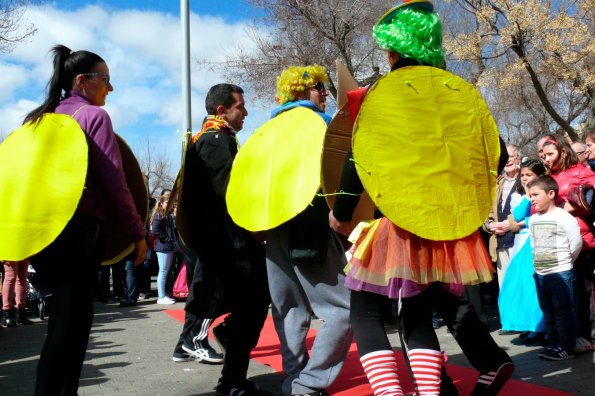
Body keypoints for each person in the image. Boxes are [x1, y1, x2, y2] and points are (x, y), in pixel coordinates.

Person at [329, 2, 513, 395]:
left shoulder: (379, 94)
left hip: (397, 225)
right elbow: (494, 153)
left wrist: (341, 213)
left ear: (392, 52)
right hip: (448, 232)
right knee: (418, 318)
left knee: (365, 312)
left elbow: (358, 159)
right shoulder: (461, 93)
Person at [23, 45, 146, 396]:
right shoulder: (93, 118)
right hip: (80, 235)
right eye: (105, 79)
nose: (111, 87)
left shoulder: (38, 120)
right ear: (81, 80)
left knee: (67, 321)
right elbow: (114, 182)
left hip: (43, 235)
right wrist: (137, 233)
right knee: (70, 325)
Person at [171, 84, 270, 396]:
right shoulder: (216, 141)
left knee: (251, 306)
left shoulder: (213, 138)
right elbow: (227, 197)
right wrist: (253, 231)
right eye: (240, 106)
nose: (246, 112)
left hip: (228, 244)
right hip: (230, 245)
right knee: (252, 303)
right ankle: (204, 345)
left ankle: (232, 376)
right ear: (221, 110)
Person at [266, 65, 352, 396]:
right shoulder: (320, 123)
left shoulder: (268, 130)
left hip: (273, 227)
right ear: (300, 91)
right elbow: (340, 170)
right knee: (344, 309)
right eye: (318, 87)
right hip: (311, 226)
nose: (325, 93)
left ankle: (293, 381)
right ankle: (308, 384)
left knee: (287, 308)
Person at [541, 135, 595, 353]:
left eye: (550, 154)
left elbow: (589, 198)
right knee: (564, 293)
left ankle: (588, 335)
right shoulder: (548, 176)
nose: (546, 159)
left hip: (581, 241)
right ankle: (566, 336)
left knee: (584, 291)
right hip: (554, 242)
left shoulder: (581, 171)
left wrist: (566, 207)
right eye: (543, 155)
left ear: (563, 152)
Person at [526, 175, 583, 360]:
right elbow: (534, 244)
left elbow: (575, 243)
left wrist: (566, 263)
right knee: (548, 312)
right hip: (540, 274)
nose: (532, 198)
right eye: (530, 195)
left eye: (535, 194)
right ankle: (553, 344)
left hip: (560, 273)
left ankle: (566, 346)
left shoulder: (563, 217)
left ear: (551, 193)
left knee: (563, 312)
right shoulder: (533, 219)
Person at [498, 159, 547, 344]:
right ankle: (528, 325)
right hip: (522, 242)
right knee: (520, 286)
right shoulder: (523, 195)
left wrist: (522, 222)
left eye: (529, 175)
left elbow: (537, 216)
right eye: (523, 175)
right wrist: (526, 196)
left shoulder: (543, 193)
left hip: (536, 240)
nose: (525, 178)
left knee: (533, 287)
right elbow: (517, 215)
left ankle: (539, 327)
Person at [485, 144, 522, 289]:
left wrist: (508, 224)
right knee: (505, 288)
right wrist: (490, 225)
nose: (507, 161)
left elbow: (530, 208)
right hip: (499, 243)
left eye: (511, 156)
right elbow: (488, 211)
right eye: (504, 158)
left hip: (518, 241)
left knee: (520, 287)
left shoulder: (525, 180)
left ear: (518, 157)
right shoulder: (497, 183)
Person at [151, 190, 179, 305]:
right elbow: (156, 231)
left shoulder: (166, 214)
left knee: (165, 271)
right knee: (163, 271)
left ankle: (163, 295)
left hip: (168, 247)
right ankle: (161, 296)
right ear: (162, 203)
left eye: (171, 202)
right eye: (167, 202)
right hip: (163, 247)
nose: (170, 204)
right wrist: (169, 240)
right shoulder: (159, 214)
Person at [2, 260, 32, 327]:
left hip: (23, 249)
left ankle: (21, 313)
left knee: (22, 277)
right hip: (9, 249)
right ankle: (7, 313)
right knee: (11, 276)